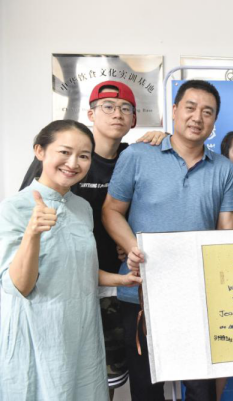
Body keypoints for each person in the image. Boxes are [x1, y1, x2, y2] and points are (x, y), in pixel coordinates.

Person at [17, 81, 165, 397]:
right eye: (107, 107)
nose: (117, 114)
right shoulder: (62, 162)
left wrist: (165, 138)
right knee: (60, 373)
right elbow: (30, 212)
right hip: (58, 283)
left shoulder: (134, 156)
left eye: (125, 108)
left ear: (134, 119)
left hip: (114, 280)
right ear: (91, 114)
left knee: (103, 375)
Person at [102, 79, 233, 401]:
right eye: (190, 108)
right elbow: (111, 210)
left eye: (207, 112)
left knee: (201, 388)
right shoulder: (137, 155)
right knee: (146, 388)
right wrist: (134, 248)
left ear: (214, 121)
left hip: (197, 296)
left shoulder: (223, 168)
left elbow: (227, 232)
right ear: (175, 111)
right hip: (141, 293)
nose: (197, 117)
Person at [0, 120, 140, 400]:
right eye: (64, 152)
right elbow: (19, 286)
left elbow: (77, 269)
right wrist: (32, 233)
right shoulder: (14, 208)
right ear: (40, 151)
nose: (73, 163)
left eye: (84, 156)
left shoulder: (82, 207)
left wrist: (122, 279)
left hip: (82, 329)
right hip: (39, 333)